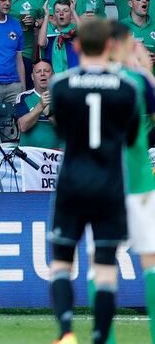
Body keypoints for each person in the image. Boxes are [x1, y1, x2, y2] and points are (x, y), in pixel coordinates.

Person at [47, 17, 142, 344]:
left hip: (72, 183)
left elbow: (61, 133)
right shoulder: (127, 87)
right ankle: (100, 336)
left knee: (61, 264)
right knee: (104, 268)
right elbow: (130, 138)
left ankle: (66, 332)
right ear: (110, 46)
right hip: (109, 186)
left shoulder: (60, 84)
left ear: (75, 47)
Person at [110, 22, 155, 344]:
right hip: (138, 181)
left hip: (104, 180)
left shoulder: (81, 82)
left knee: (102, 260)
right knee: (150, 261)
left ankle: (106, 337)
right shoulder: (139, 81)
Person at [14, 60, 58, 148]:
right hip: (30, 155)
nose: (42, 74)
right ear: (32, 77)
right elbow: (22, 126)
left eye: (46, 71)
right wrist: (40, 106)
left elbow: (67, 128)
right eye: (38, 71)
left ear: (53, 75)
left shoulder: (62, 96)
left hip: (57, 154)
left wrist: (49, 114)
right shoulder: (23, 97)